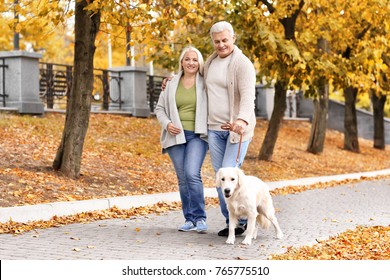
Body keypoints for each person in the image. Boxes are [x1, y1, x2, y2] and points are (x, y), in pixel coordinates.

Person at [204, 21, 257, 237]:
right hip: (214, 129)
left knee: (229, 173)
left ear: (233, 38)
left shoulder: (242, 64)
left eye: (225, 40)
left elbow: (247, 96)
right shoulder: (210, 62)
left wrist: (242, 120)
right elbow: (191, 75)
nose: (221, 45)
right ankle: (231, 221)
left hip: (237, 131)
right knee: (220, 179)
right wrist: (171, 80)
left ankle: (242, 219)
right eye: (217, 41)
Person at [154, 46, 209, 233]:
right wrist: (167, 123)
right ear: (181, 62)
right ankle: (190, 219)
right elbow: (159, 108)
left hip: (197, 135)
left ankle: (200, 218)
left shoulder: (205, 82)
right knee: (182, 178)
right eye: (187, 59)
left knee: (192, 173)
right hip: (175, 134)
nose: (191, 63)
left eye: (195, 59)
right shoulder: (171, 82)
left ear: (199, 63)